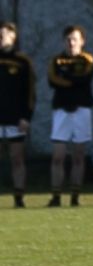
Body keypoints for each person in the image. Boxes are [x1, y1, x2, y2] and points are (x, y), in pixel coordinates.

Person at [47, 25, 93, 207]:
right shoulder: (56, 61)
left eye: (75, 39)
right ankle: (56, 196)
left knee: (79, 155)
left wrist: (67, 79)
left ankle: (75, 196)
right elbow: (52, 81)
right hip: (61, 111)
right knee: (58, 155)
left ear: (82, 41)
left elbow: (85, 79)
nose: (71, 42)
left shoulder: (88, 59)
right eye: (68, 39)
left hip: (82, 109)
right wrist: (73, 80)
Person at [0, 21, 35, 208]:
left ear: (13, 36)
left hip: (15, 117)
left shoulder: (23, 61)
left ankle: (19, 197)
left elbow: (30, 91)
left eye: (3, 34)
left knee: (17, 157)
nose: (0, 38)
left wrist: (26, 117)